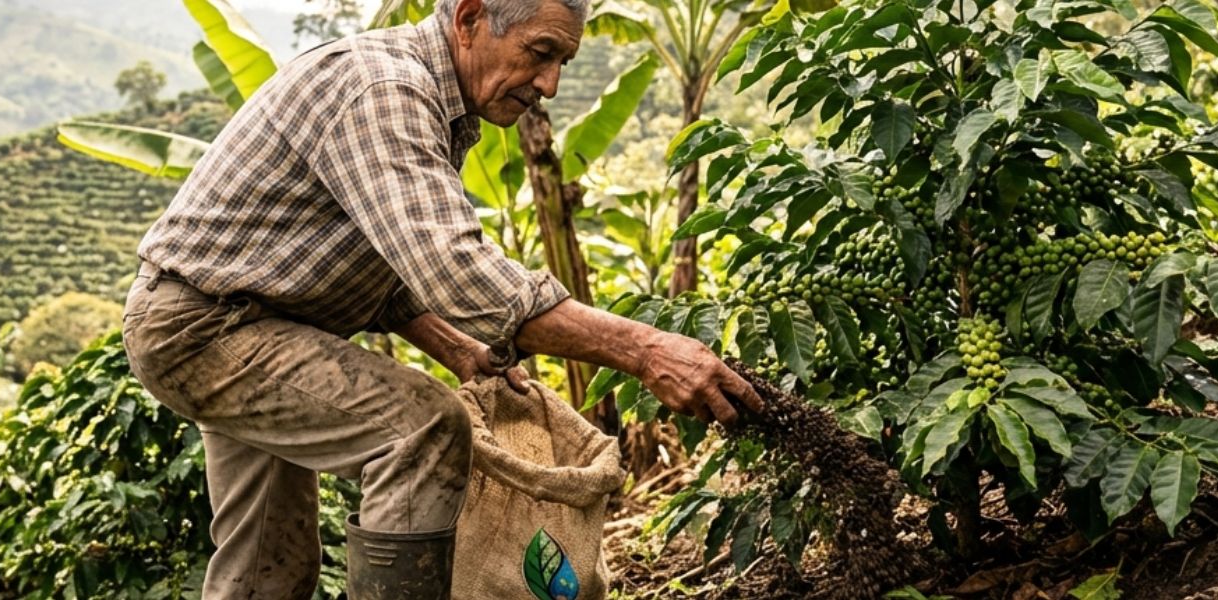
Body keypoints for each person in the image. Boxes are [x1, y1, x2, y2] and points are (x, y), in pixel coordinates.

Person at [119, 0, 763, 595]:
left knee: (269, 563)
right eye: (540, 52)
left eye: (562, 62)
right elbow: (455, 270)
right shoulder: (384, 90)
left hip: (245, 325)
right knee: (423, 430)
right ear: (470, 17)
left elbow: (377, 260)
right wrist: (648, 350)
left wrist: (455, 347)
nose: (549, 84)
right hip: (207, 329)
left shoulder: (430, 99)